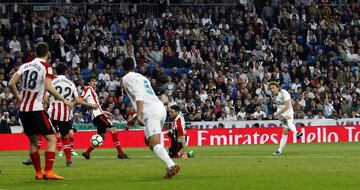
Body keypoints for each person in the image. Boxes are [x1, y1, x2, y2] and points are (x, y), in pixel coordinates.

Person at [9, 42, 72, 180]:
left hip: (23, 110)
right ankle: (48, 171)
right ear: (47, 53)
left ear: (35, 52)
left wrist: (19, 97)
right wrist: (64, 100)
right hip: (36, 109)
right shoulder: (46, 67)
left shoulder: (24, 66)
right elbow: (49, 87)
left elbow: (11, 83)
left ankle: (38, 172)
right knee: (52, 139)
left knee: (33, 142)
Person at [122, 57, 180, 179]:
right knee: (149, 142)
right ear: (134, 66)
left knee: (154, 143)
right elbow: (147, 96)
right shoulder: (142, 77)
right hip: (159, 108)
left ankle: (171, 165)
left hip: (151, 112)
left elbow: (139, 96)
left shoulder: (126, 78)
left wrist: (137, 115)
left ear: (123, 67)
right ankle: (170, 163)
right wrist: (134, 118)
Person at [81, 75, 128, 160]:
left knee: (101, 136)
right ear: (88, 83)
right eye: (92, 81)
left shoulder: (92, 91)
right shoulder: (87, 89)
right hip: (98, 116)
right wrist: (90, 105)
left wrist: (105, 112)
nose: (94, 82)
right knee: (113, 130)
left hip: (98, 114)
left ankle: (87, 153)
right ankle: (121, 153)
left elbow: (96, 106)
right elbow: (80, 99)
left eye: (95, 81)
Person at [269, 81, 303, 156]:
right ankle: (297, 133)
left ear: (278, 87)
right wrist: (277, 112)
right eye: (271, 88)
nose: (272, 89)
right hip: (281, 113)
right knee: (288, 122)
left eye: (273, 88)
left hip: (289, 111)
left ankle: (279, 150)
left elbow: (287, 106)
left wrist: (277, 112)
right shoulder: (273, 96)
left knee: (285, 131)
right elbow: (277, 105)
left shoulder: (284, 93)